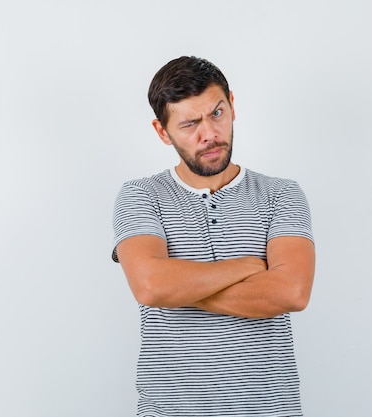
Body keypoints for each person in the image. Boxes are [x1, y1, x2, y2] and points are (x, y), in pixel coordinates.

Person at [112, 56, 316, 417]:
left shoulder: (281, 194)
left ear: (232, 106)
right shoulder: (141, 195)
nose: (209, 134)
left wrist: (178, 287)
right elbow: (150, 287)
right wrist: (248, 266)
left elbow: (292, 292)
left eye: (217, 114)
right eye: (190, 123)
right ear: (163, 132)